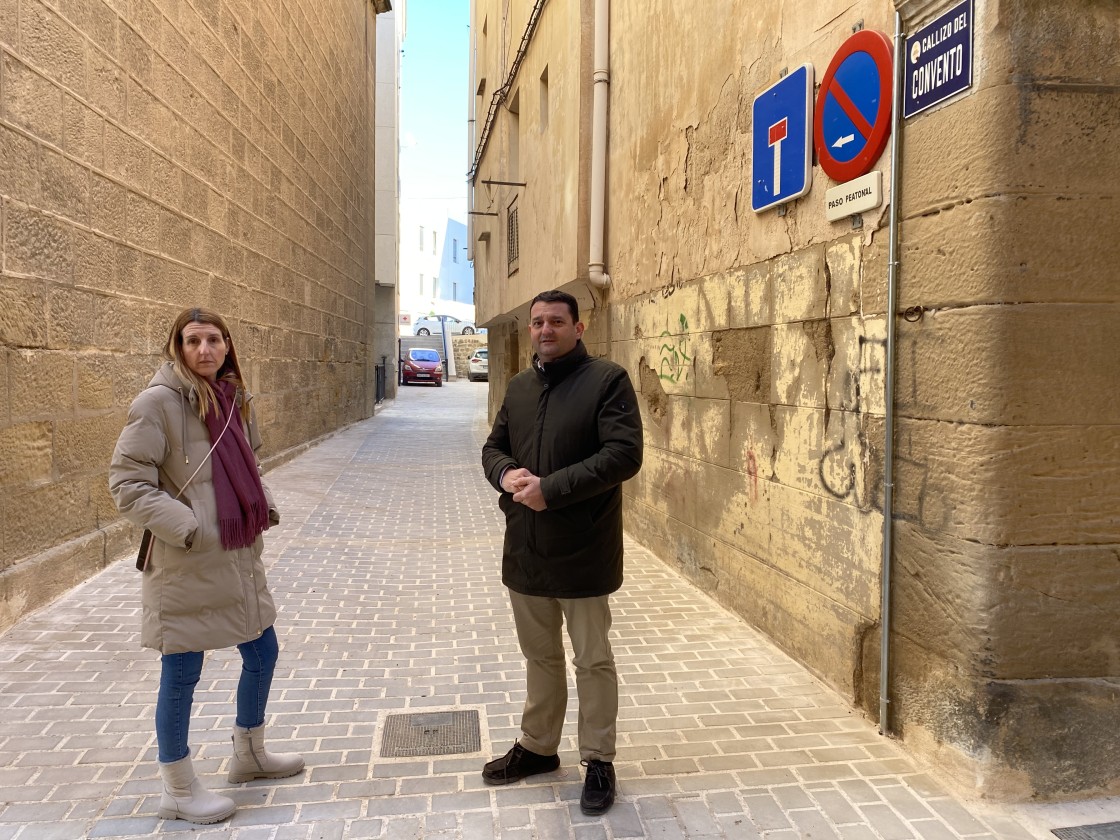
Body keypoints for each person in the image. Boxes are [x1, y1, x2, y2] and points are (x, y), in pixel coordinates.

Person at [109, 307, 303, 825]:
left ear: (227, 345)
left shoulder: (235, 399)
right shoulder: (155, 404)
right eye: (192, 340)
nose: (204, 350)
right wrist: (190, 525)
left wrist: (263, 503)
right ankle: (177, 787)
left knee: (263, 648)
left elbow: (250, 464)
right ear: (177, 346)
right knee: (182, 672)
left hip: (239, 554)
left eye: (213, 339)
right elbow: (127, 485)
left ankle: (249, 754)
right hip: (186, 560)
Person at [480, 289, 643, 815]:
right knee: (539, 655)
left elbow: (623, 454)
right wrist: (505, 473)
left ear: (577, 327)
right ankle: (538, 747)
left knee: (593, 659)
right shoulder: (521, 387)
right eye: (536, 323)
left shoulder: (607, 380)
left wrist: (551, 488)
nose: (544, 330)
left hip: (583, 549)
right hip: (525, 548)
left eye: (555, 321)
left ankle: (597, 758)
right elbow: (492, 447)